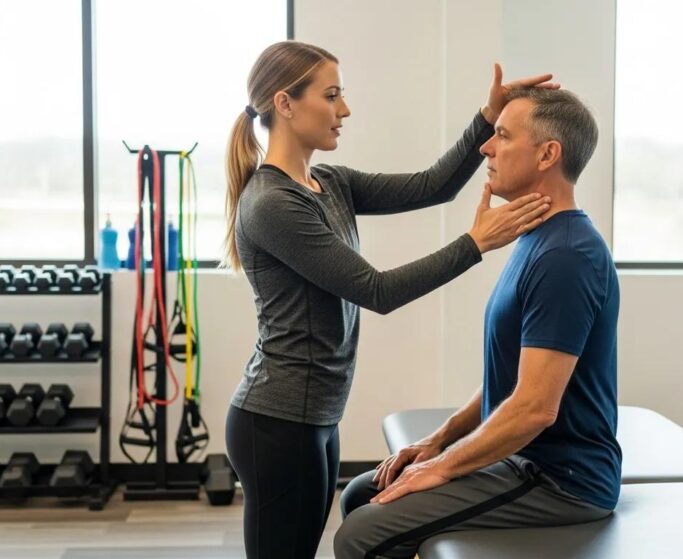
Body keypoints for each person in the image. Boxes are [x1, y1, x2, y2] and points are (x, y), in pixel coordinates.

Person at [223, 40, 559, 559]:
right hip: (277, 421)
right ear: (284, 104)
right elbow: (375, 291)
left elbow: (433, 186)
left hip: (314, 415)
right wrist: (476, 244)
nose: (345, 110)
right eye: (331, 96)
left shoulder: (326, 182)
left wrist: (487, 116)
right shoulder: (272, 203)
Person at [335, 87, 621, 559]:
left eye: (503, 136)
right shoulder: (536, 237)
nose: (486, 147)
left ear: (549, 153)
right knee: (361, 495)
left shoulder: (567, 255)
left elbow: (534, 409)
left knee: (360, 536)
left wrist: (444, 467)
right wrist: (440, 439)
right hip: (525, 458)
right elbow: (510, 379)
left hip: (560, 480)